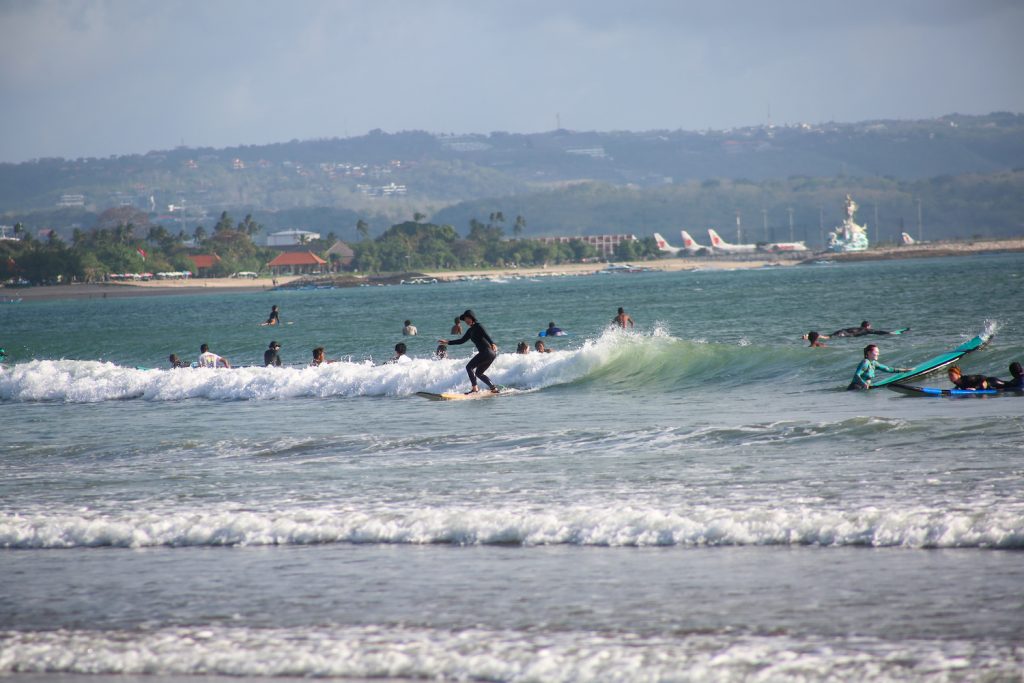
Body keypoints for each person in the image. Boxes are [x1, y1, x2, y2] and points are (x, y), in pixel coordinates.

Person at [438, 309, 499, 393]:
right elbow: (461, 341)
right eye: (465, 319)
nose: (466, 320)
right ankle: (493, 388)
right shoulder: (470, 331)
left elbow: (486, 334)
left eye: (467, 318)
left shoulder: (478, 326)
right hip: (489, 354)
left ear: (472, 317)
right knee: (479, 373)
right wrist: (448, 342)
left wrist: (492, 343)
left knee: (469, 367)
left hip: (487, 352)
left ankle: (475, 389)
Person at [830, 321, 903, 338]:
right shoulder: (866, 330)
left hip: (841, 331)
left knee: (828, 337)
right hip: (845, 334)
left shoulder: (857, 328)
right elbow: (877, 332)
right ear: (867, 326)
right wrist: (890, 333)